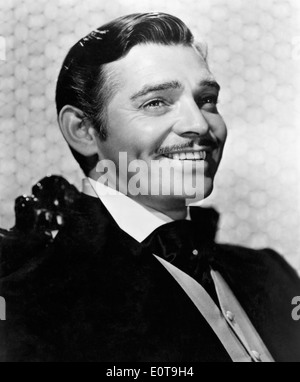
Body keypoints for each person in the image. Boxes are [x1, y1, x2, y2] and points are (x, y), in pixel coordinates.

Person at [1, 12, 299, 362]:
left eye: (206, 100)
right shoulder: (30, 300)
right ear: (83, 129)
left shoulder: (271, 273)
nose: (199, 124)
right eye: (156, 102)